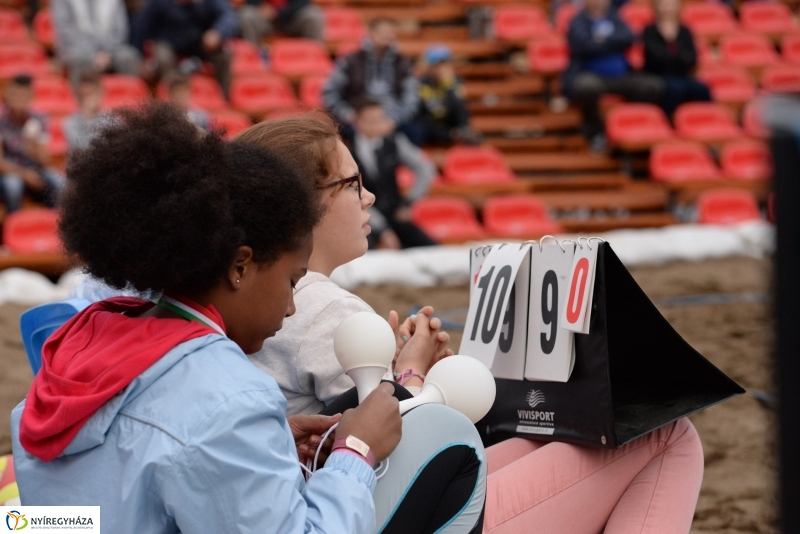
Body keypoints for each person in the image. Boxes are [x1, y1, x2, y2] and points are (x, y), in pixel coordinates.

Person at [12, 102, 485, 534]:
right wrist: (354, 453)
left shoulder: (75, 346)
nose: (292, 304)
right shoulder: (228, 398)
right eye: (291, 279)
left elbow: (41, 521)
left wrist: (273, 435)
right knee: (456, 440)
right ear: (240, 266)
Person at [238, 113, 706, 534]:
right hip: (398, 510)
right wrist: (411, 376)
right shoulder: (321, 307)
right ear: (302, 206)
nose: (370, 196)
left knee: (548, 438)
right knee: (667, 432)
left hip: (346, 502)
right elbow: (397, 444)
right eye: (353, 184)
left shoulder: (257, 300)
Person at [563, 0, 664, 151]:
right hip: (590, 75)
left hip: (621, 76)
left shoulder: (615, 18)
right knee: (586, 87)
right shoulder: (577, 21)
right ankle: (596, 132)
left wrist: (600, 41)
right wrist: (612, 43)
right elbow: (584, 45)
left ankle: (631, 127)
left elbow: (629, 37)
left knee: (652, 86)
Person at [350, 99, 437, 250]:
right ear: (356, 121)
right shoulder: (348, 153)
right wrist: (383, 229)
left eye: (379, 119)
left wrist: (409, 201)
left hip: (396, 214)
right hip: (366, 219)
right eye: (370, 120)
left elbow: (425, 169)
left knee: (432, 249)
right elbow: (353, 195)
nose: (376, 125)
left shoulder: (395, 143)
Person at [322, 18, 419, 143]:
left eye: (390, 32)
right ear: (371, 33)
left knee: (415, 131)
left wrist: (394, 121)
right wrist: (350, 115)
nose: (386, 36)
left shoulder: (404, 64)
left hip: (392, 118)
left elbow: (412, 98)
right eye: (382, 31)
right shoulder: (350, 61)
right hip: (357, 116)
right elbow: (329, 92)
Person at [132, 0, 237, 98]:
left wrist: (217, 32)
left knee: (224, 55)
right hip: (169, 44)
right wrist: (140, 58)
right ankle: (173, 97)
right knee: (162, 54)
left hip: (200, 44)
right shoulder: (160, 2)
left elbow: (228, 17)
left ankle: (225, 98)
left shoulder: (208, 2)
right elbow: (141, 28)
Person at [0, 75, 64, 213]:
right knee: (13, 186)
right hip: (10, 171)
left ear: (30, 98)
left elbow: (45, 161)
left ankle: (54, 226)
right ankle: (15, 228)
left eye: (24, 96)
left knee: (59, 182)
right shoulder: (1, 120)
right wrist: (24, 174)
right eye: (16, 95)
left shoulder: (38, 120)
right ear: (8, 96)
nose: (20, 101)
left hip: (35, 169)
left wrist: (34, 146)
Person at [51, 0, 142, 90]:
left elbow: (120, 31)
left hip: (110, 50)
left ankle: (130, 100)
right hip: (77, 48)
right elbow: (66, 31)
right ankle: (79, 101)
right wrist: (93, 54)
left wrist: (107, 52)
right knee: (80, 59)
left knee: (129, 57)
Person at [643, 0, 712, 116]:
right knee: (674, 89)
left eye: (671, 5)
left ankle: (706, 118)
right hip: (658, 76)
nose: (668, 9)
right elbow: (654, 58)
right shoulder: (650, 30)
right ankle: (668, 121)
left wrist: (668, 56)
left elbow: (692, 59)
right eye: (664, 5)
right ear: (656, 7)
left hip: (683, 75)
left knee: (702, 89)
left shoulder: (685, 31)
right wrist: (680, 57)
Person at [415, 45, 481, 146]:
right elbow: (420, 115)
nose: (441, 69)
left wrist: (448, 86)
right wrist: (447, 134)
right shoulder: (422, 85)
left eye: (445, 64)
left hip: (452, 126)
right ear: (429, 67)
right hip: (432, 130)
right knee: (420, 124)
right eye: (438, 65)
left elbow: (459, 113)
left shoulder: (456, 83)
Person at [63, 71, 111, 151]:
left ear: (100, 93)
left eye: (90, 94)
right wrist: (88, 118)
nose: (87, 99)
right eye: (83, 95)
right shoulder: (70, 123)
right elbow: (83, 148)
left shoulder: (113, 122)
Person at [238, 0, 324, 44]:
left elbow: (304, 2)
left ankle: (314, 56)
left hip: (293, 18)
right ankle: (253, 59)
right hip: (266, 20)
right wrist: (259, 5)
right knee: (247, 15)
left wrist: (279, 13)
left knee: (314, 15)